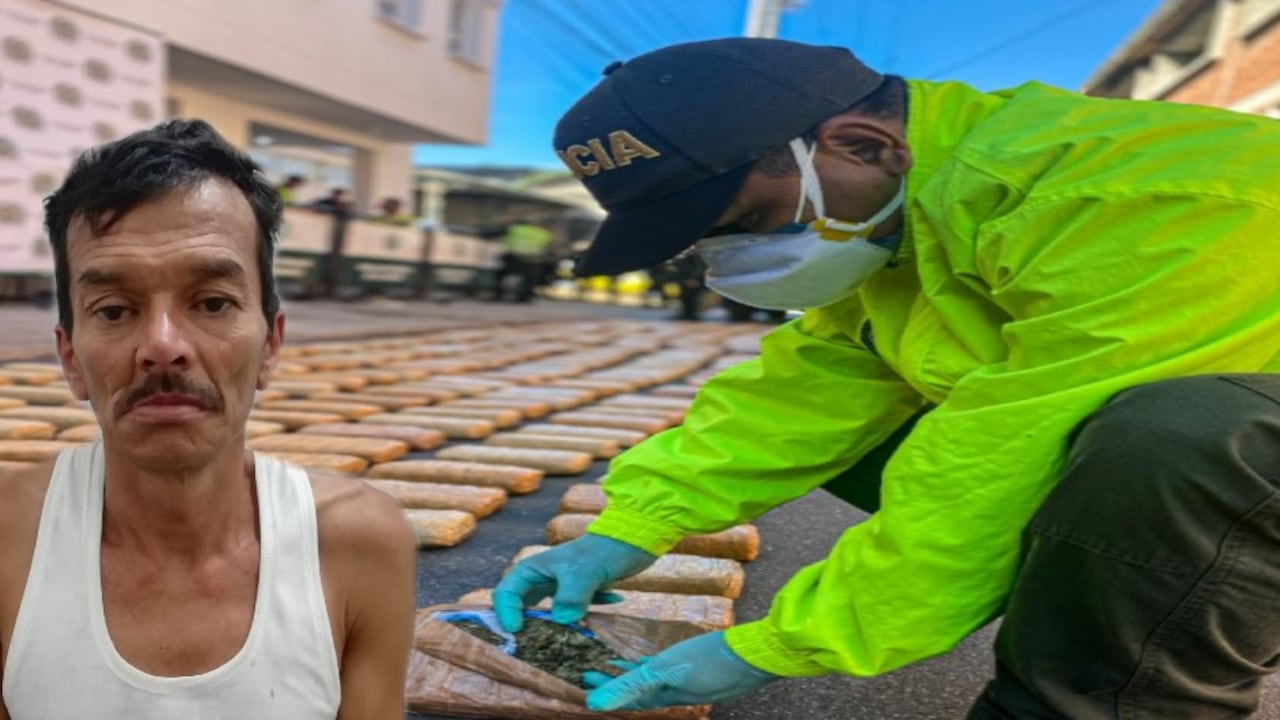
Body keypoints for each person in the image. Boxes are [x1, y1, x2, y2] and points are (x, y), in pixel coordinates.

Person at [493, 38, 1280, 718]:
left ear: (864, 145)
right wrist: (629, 528)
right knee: (867, 429)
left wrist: (782, 643)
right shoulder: (915, 214)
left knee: (1178, 440)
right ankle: (1108, 589)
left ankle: (1112, 693)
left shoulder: (1131, 200)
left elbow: (999, 451)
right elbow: (811, 389)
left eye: (749, 222)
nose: (734, 260)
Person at [0, 119, 417, 718]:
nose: (162, 346)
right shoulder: (11, 536)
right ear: (70, 358)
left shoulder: (358, 544)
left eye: (213, 303)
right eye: (114, 310)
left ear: (270, 345)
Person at [496, 219, 554, 303]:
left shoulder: (515, 229)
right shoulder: (542, 232)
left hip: (515, 257)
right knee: (531, 279)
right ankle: (525, 296)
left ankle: (498, 293)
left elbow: (494, 234)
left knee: (500, 274)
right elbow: (550, 246)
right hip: (535, 260)